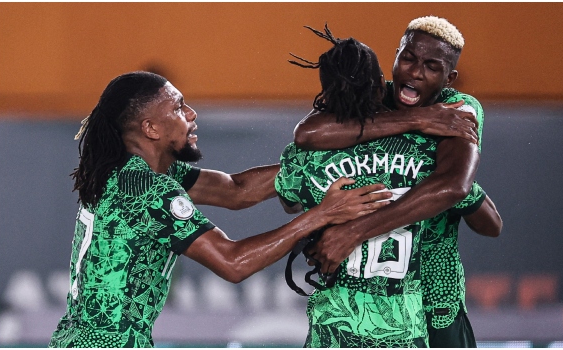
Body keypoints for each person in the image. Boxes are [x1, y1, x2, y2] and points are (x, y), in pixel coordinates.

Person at [48, 71, 392, 348]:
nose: (192, 115)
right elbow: (233, 262)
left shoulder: (132, 172)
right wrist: (322, 214)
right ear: (150, 129)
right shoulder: (150, 189)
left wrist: (323, 162)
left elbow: (236, 191)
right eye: (179, 108)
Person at [291, 17, 503, 347]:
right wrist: (419, 119)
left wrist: (351, 232)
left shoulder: (458, 109)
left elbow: (452, 187)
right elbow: (308, 133)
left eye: (432, 66)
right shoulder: (370, 96)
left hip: (433, 293)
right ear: (396, 55)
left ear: (450, 77)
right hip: (361, 299)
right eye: (408, 58)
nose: (415, 72)